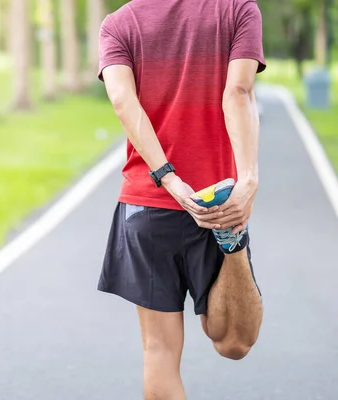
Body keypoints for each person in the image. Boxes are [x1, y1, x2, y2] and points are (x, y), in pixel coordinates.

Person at [96, 0, 265, 398]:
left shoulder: (118, 23)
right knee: (234, 344)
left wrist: (167, 179)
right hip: (218, 200)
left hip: (146, 204)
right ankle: (233, 239)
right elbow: (238, 91)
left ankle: (232, 238)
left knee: (158, 351)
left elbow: (123, 101)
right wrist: (248, 181)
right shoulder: (239, 10)